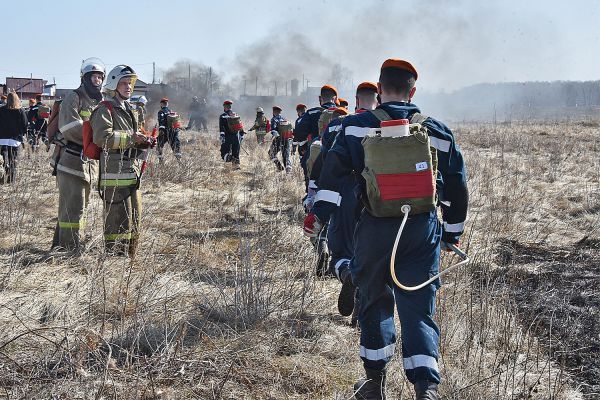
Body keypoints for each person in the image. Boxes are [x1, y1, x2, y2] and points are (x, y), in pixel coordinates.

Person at [305, 59, 469, 399]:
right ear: (413, 91)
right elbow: (456, 187)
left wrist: (321, 216)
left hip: (374, 230)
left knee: (374, 303)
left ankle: (373, 383)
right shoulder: (437, 130)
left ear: (379, 91)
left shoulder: (354, 126)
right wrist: (452, 233)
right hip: (421, 232)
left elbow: (332, 178)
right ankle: (426, 388)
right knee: (419, 309)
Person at [90, 64, 154, 257]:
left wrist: (144, 141)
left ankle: (130, 258)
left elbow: (134, 137)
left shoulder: (130, 109)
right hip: (114, 174)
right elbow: (102, 139)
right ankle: (115, 260)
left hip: (131, 173)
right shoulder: (105, 109)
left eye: (130, 83)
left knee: (134, 218)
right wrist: (131, 137)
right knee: (117, 220)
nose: (128, 87)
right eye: (124, 83)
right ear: (114, 84)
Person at [51, 57, 105, 252]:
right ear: (85, 78)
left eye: (100, 77)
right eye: (94, 77)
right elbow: (69, 127)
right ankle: (68, 249)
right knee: (72, 209)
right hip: (72, 161)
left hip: (89, 164)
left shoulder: (100, 101)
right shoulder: (74, 97)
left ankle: (61, 245)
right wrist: (98, 135)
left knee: (78, 208)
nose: (97, 81)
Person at [293, 85, 338, 191]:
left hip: (315, 155)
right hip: (337, 156)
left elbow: (299, 133)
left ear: (320, 98)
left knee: (311, 187)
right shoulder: (343, 112)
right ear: (335, 99)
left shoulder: (312, 112)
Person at [0, 92, 27, 183]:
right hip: (15, 138)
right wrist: (22, 134)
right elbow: (24, 124)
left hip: (2, 138)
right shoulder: (20, 110)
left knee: (3, 157)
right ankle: (11, 179)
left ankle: (4, 170)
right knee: (13, 159)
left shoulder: (1, 109)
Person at [268, 106, 294, 173]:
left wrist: (274, 134)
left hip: (279, 139)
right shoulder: (284, 119)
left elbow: (273, 130)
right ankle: (288, 171)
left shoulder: (274, 119)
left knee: (271, 153)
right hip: (287, 139)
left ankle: (279, 167)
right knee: (285, 155)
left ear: (274, 112)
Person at [219, 100, 244, 167]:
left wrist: (222, 136)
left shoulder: (222, 116)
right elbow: (240, 126)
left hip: (227, 137)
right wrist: (241, 135)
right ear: (230, 107)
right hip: (236, 137)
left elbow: (222, 127)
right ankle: (236, 166)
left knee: (224, 152)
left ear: (225, 107)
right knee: (236, 152)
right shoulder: (236, 115)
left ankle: (230, 158)